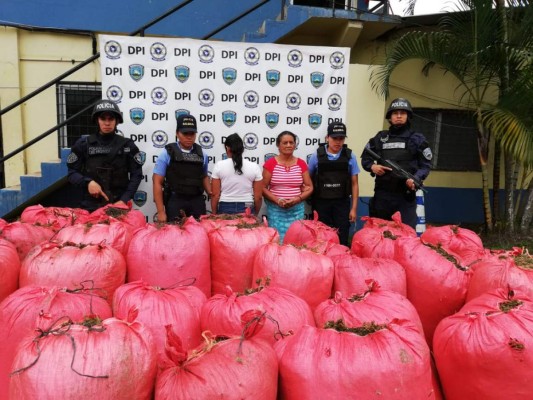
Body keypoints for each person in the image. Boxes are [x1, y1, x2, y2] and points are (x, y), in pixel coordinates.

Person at [360, 98, 432, 229]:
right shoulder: (380, 138)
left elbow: (425, 165)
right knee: (379, 234)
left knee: (405, 236)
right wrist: (372, 166)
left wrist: (415, 179)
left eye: (402, 113)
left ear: (408, 116)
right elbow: (365, 157)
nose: (399, 116)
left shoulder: (417, 139)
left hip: (405, 197)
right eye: (395, 113)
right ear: (390, 117)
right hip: (382, 196)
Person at [67, 99, 144, 212]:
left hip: (118, 205)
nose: (107, 123)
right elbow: (71, 172)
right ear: (97, 120)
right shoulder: (84, 144)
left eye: (111, 119)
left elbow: (136, 174)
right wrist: (88, 182)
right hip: (90, 205)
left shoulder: (127, 145)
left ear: (117, 121)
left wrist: (124, 199)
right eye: (103, 119)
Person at [308, 122, 360, 246]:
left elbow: (354, 184)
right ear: (327, 138)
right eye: (334, 138)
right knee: (321, 237)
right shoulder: (317, 155)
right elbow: (308, 179)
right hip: (321, 203)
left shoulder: (350, 156)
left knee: (342, 237)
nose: (338, 142)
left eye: (341, 138)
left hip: (342, 203)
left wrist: (353, 209)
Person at [153, 114, 211, 222]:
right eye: (185, 133)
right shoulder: (167, 153)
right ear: (177, 133)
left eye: (192, 133)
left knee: (198, 235)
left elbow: (204, 177)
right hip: (176, 200)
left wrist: (212, 194)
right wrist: (161, 211)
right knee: (175, 236)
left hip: (196, 200)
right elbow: (157, 182)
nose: (189, 137)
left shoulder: (202, 153)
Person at [262, 131, 313, 241]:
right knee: (276, 240)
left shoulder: (301, 163)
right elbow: (262, 188)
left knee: (295, 240)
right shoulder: (270, 164)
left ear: (295, 145)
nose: (289, 145)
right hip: (276, 210)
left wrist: (297, 199)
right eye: (285, 143)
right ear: (278, 145)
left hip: (296, 210)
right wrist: (278, 200)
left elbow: (310, 187)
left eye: (291, 142)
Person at [210, 133, 263, 215]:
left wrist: (214, 213)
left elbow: (215, 195)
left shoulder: (219, 165)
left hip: (225, 206)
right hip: (247, 206)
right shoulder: (254, 167)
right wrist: (255, 214)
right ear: (242, 149)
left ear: (227, 148)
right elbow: (258, 197)